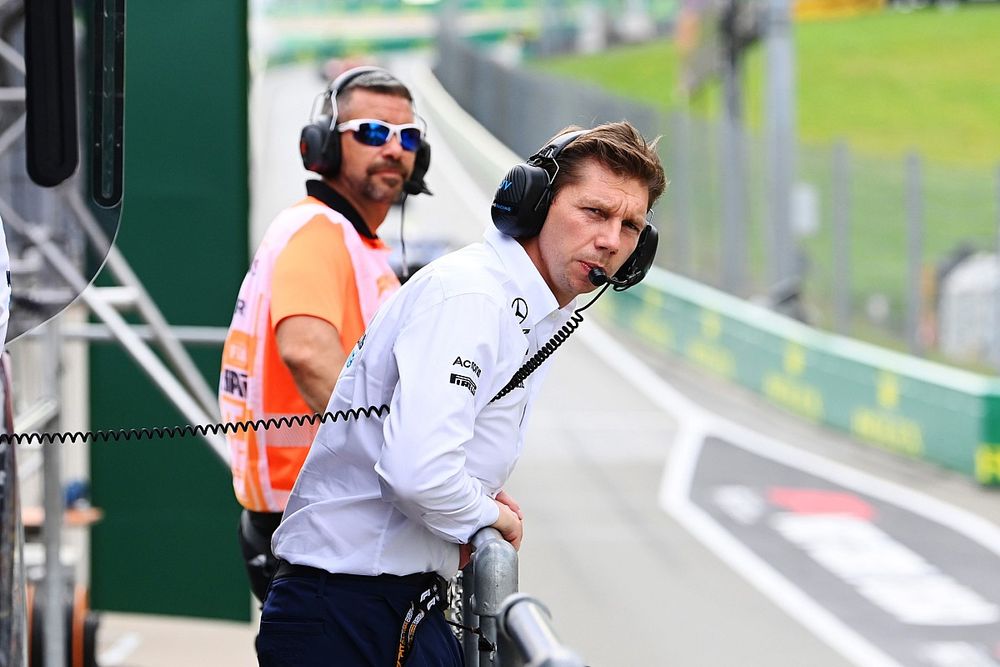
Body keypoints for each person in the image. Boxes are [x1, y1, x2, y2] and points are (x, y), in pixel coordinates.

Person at [255, 121, 666, 666]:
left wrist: (473, 494)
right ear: (535, 204)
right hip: (351, 610)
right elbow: (417, 471)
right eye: (594, 212)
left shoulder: (518, 307)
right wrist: (490, 516)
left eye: (630, 226)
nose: (611, 241)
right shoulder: (473, 298)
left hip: (383, 605)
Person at [218, 66, 432, 602]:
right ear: (324, 146)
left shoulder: (353, 241)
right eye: (372, 132)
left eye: (408, 137)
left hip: (320, 519)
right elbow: (308, 353)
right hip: (315, 525)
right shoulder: (319, 232)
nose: (394, 149)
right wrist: (406, 460)